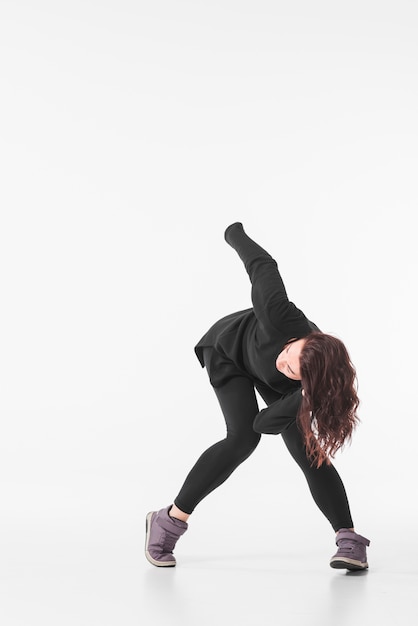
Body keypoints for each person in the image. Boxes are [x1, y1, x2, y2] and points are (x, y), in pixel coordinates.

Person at [145, 222, 370, 570]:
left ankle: (349, 539)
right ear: (300, 340)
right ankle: (169, 520)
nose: (282, 363)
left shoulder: (309, 387)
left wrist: (302, 395)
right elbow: (262, 265)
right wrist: (234, 233)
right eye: (289, 356)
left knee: (305, 448)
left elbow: (265, 422)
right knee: (240, 440)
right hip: (228, 349)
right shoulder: (280, 314)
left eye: (291, 371)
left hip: (285, 387)